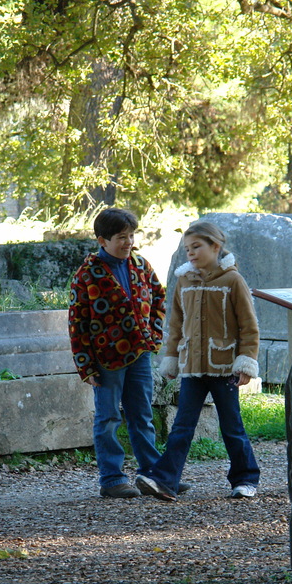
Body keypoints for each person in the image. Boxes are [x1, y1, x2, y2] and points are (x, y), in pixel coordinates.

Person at [135, 220, 261, 501]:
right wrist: (170, 359)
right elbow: (176, 325)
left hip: (224, 368)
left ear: (215, 247)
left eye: (197, 247)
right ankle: (165, 480)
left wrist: (245, 363)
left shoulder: (233, 281)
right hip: (192, 368)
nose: (190, 253)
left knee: (232, 427)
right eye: (187, 248)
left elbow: (249, 327)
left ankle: (246, 478)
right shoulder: (184, 281)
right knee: (182, 426)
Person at [68, 208, 167, 498]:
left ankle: (153, 476)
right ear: (102, 240)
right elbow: (78, 323)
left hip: (140, 354)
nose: (129, 242)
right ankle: (112, 479)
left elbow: (159, 298)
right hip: (106, 359)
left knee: (142, 415)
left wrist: (154, 336)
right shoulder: (86, 275)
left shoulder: (140, 264)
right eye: (121, 237)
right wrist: (86, 366)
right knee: (108, 417)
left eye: (131, 235)